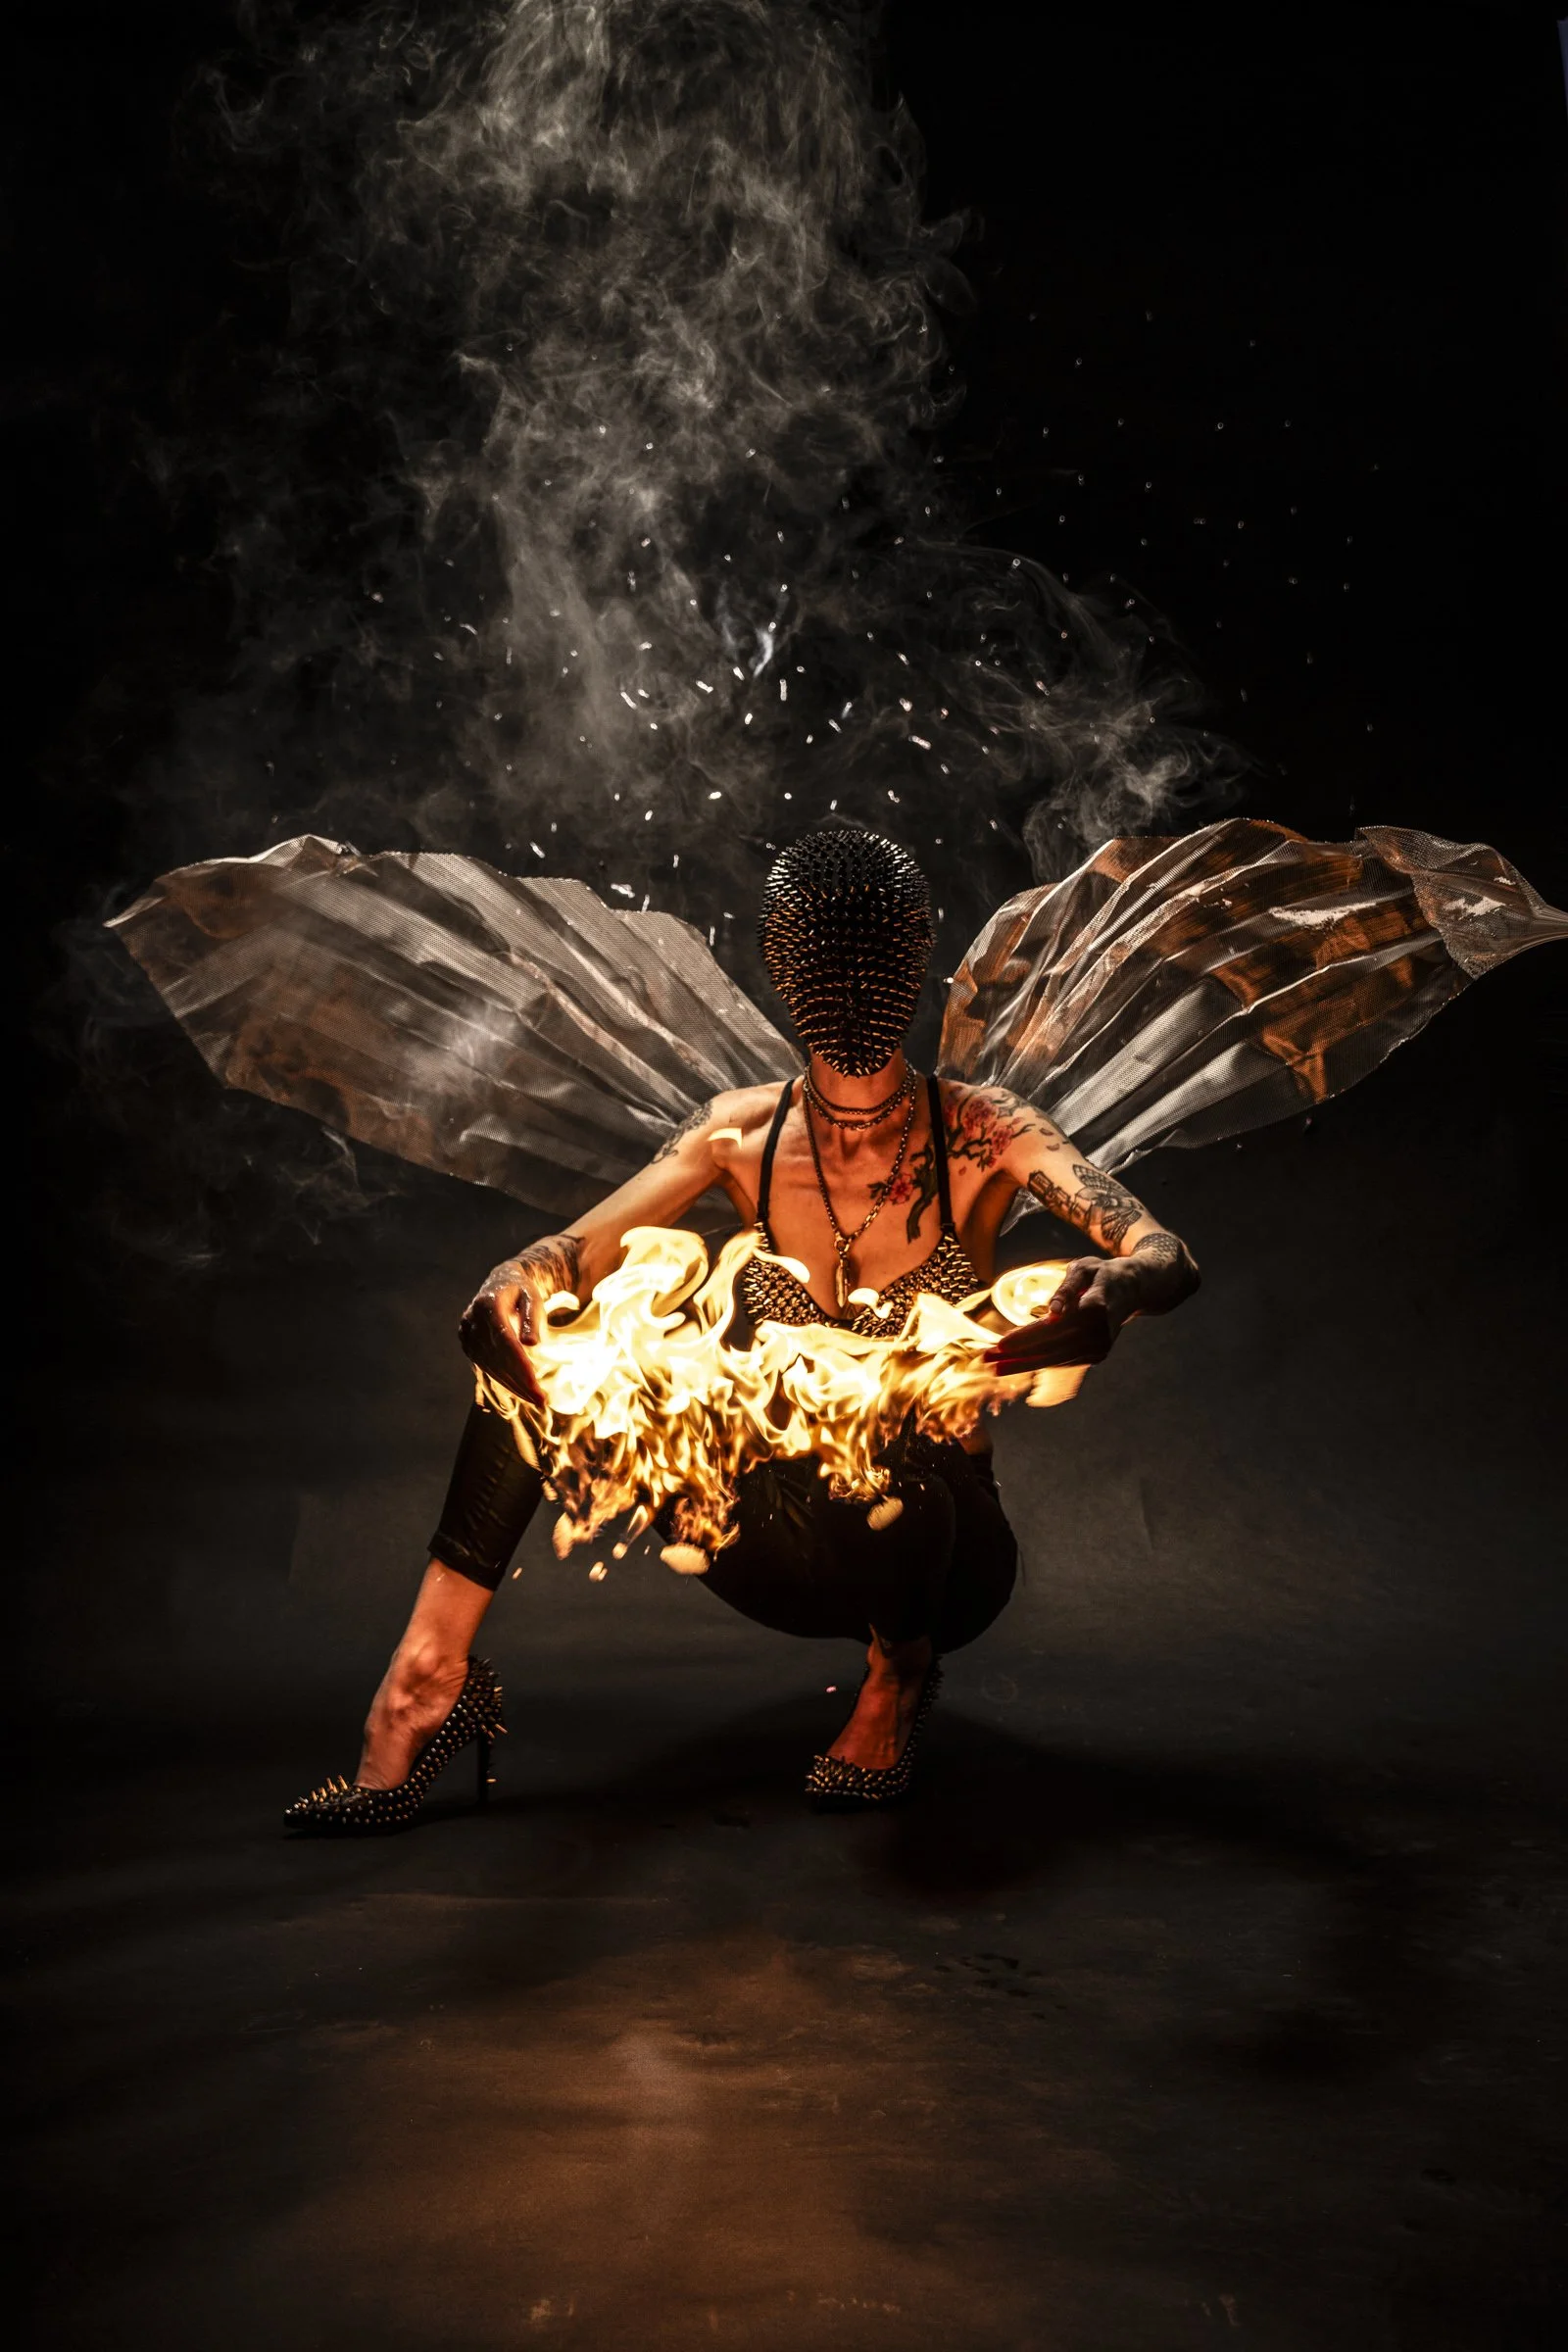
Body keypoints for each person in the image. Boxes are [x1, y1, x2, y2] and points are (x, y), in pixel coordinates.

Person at [286, 826, 1200, 1830]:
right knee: (535, 1352)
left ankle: (897, 1678)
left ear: (913, 956)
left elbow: (1162, 1252)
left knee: (888, 1467)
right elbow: (567, 1254)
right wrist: (515, 1279)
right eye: (824, 954)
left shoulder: (984, 1129)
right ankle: (425, 1678)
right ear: (783, 964)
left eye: (873, 953)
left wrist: (1113, 1289)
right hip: (770, 1543)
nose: (850, 978)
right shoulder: (741, 1134)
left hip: (940, 1557)